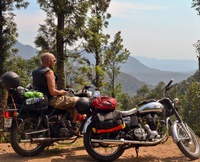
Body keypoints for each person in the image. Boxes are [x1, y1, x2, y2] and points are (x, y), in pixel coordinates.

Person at [32, 52, 79, 134]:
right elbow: (53, 92)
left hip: (41, 99)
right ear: (49, 61)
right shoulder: (48, 72)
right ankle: (74, 126)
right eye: (54, 60)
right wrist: (62, 92)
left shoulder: (35, 71)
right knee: (77, 101)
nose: (55, 62)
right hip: (51, 99)